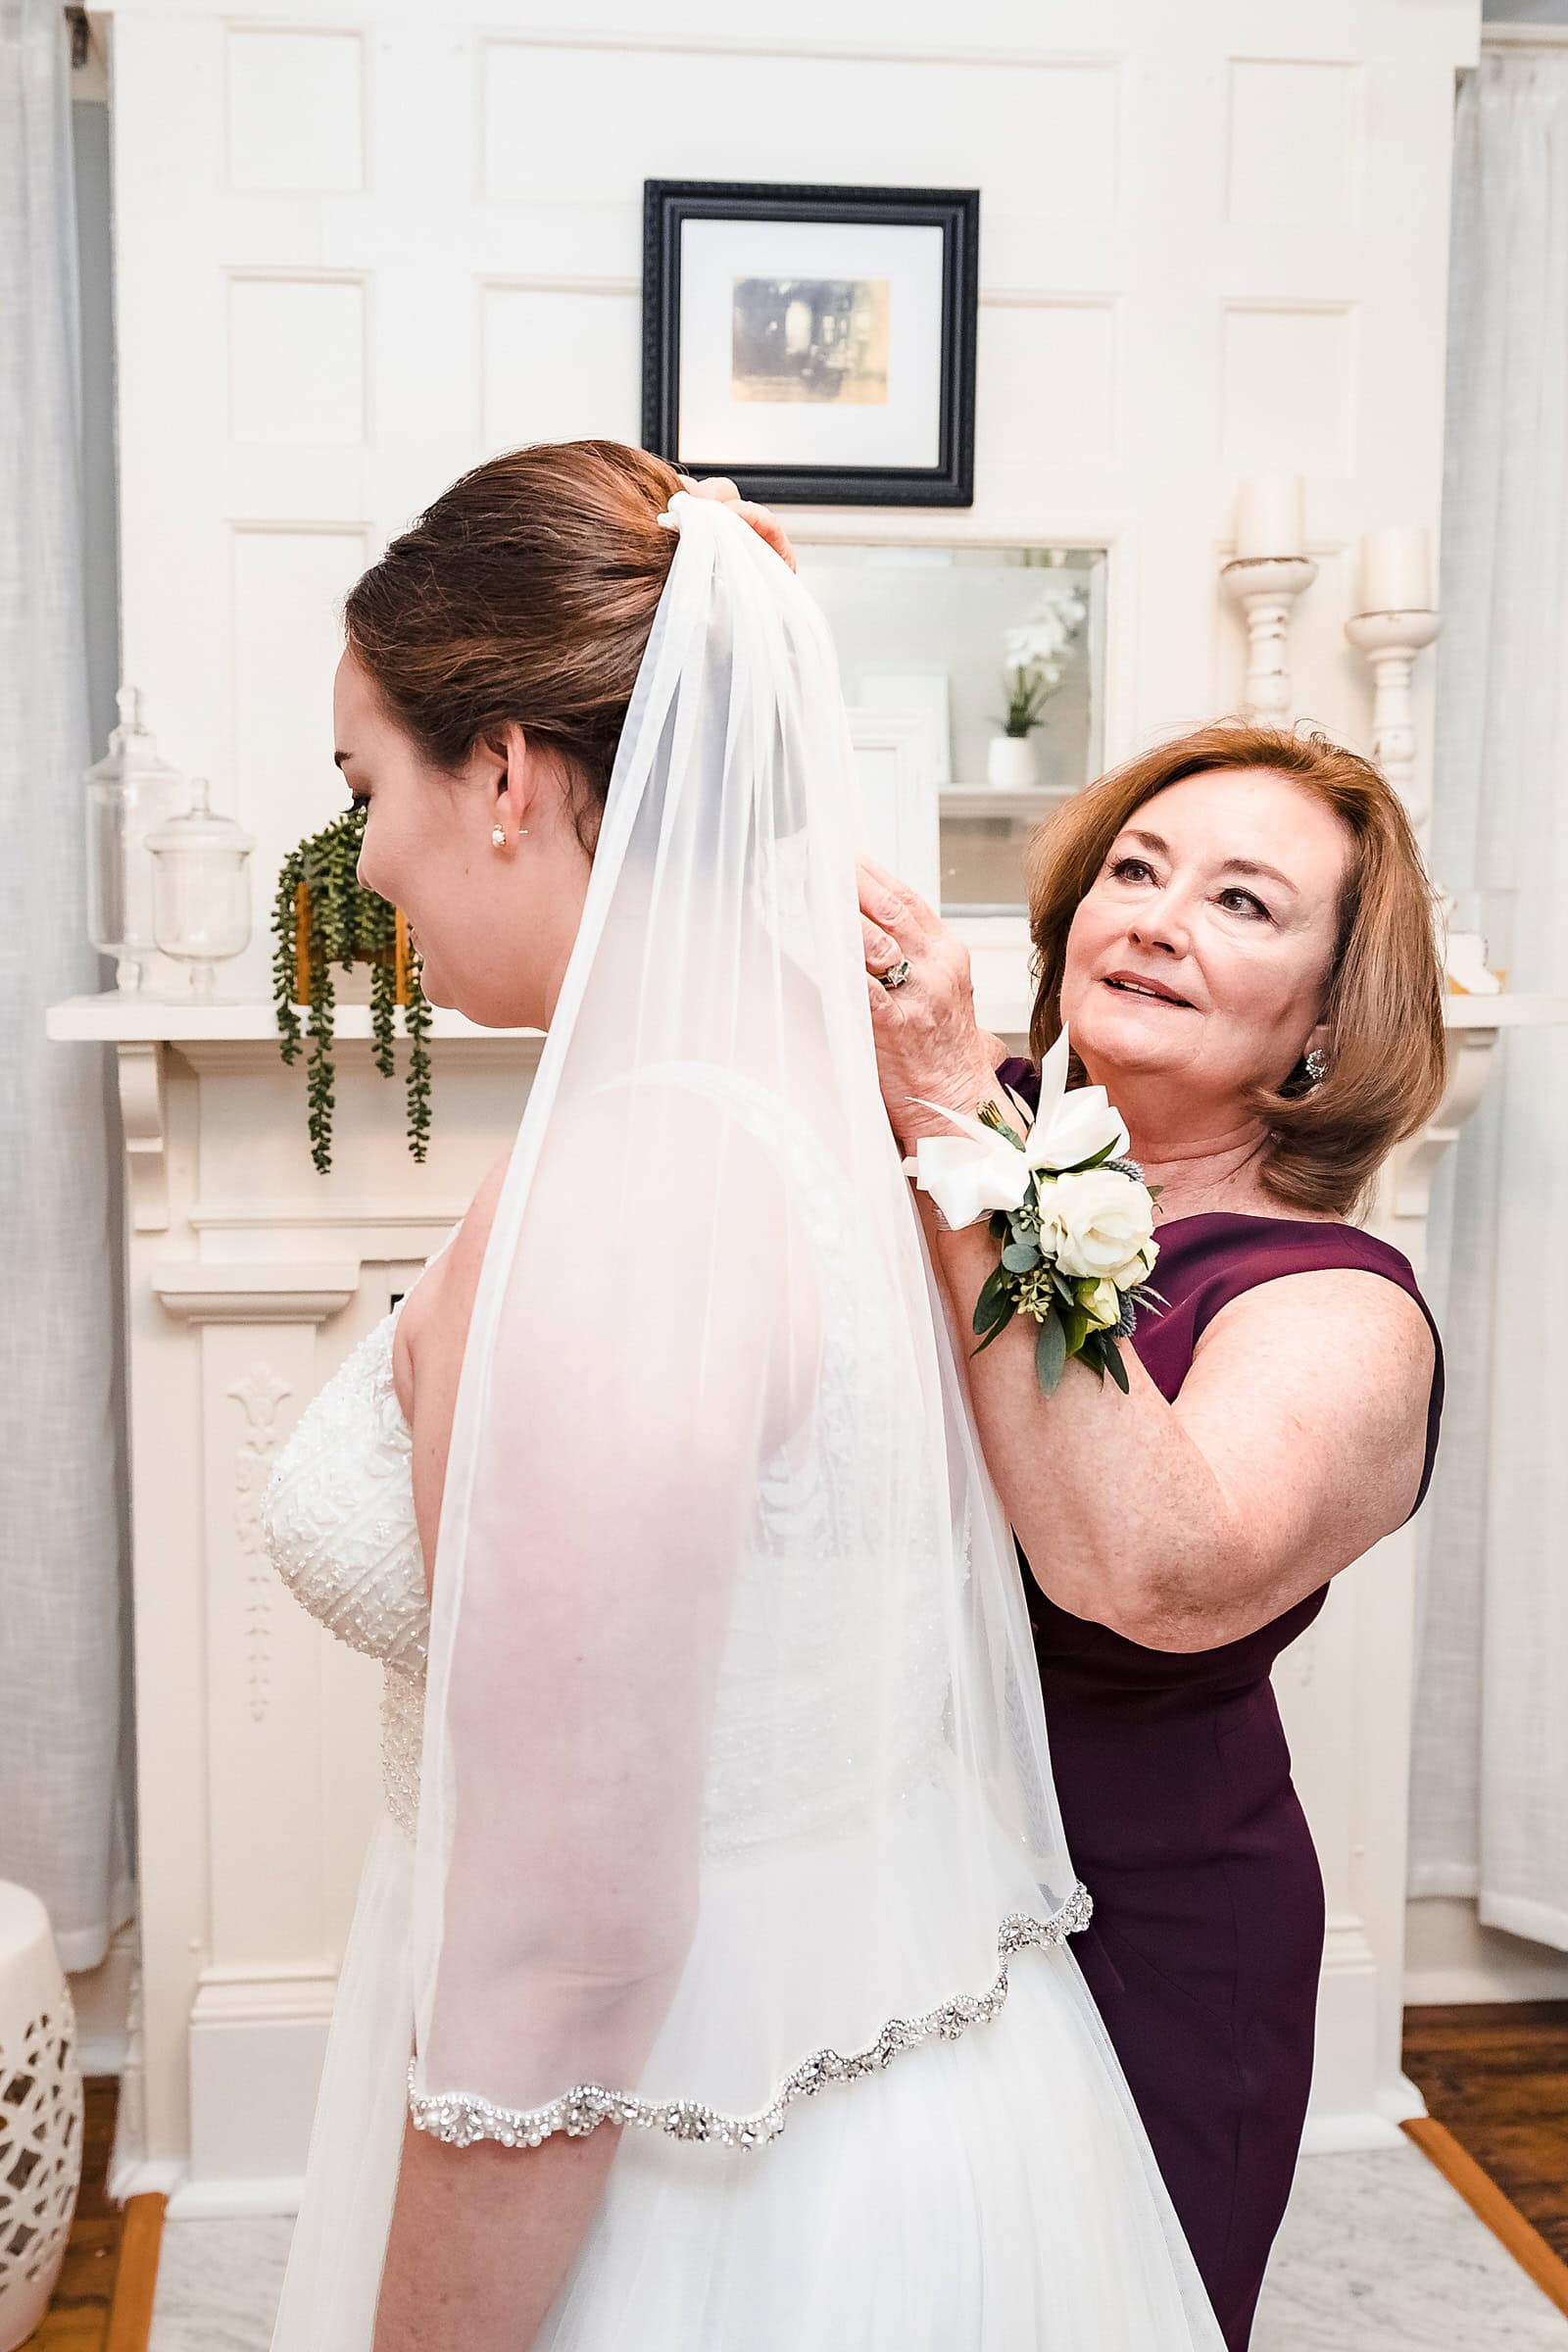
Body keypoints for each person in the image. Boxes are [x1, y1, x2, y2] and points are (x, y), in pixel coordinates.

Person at [259, 441, 1226, 2351]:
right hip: (875, 2065)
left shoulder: (644, 1184)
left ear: (511, 774)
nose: (360, 859)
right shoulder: (817, 1100)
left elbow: (562, 1950)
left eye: (366, 784)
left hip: (710, 2182)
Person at [849, 718, 1447, 2351]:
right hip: (857, 1888)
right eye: (1133, 869)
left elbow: (1143, 1571)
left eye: (1244, 902)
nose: (1159, 917)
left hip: (1146, 1936)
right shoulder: (930, 1126)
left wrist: (964, 1136)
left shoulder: (1339, 1312)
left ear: (1328, 1023)